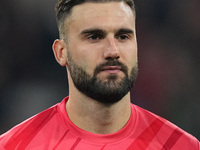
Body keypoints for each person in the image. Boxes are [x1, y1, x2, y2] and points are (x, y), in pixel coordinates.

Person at [0, 0, 199, 149]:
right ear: (61, 52)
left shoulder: (180, 145)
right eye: (94, 37)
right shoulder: (15, 146)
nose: (113, 51)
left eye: (123, 36)